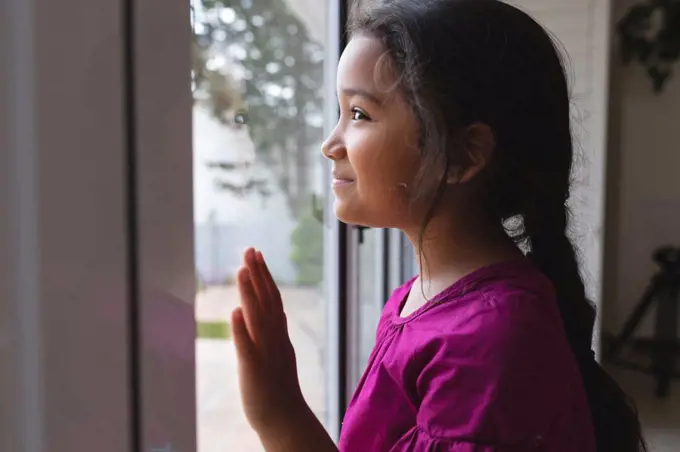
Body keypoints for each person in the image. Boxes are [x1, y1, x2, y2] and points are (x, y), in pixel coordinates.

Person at [230, 0, 647, 450]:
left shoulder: (487, 341)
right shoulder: (420, 300)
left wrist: (280, 415)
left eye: (359, 114)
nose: (331, 144)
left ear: (464, 155)